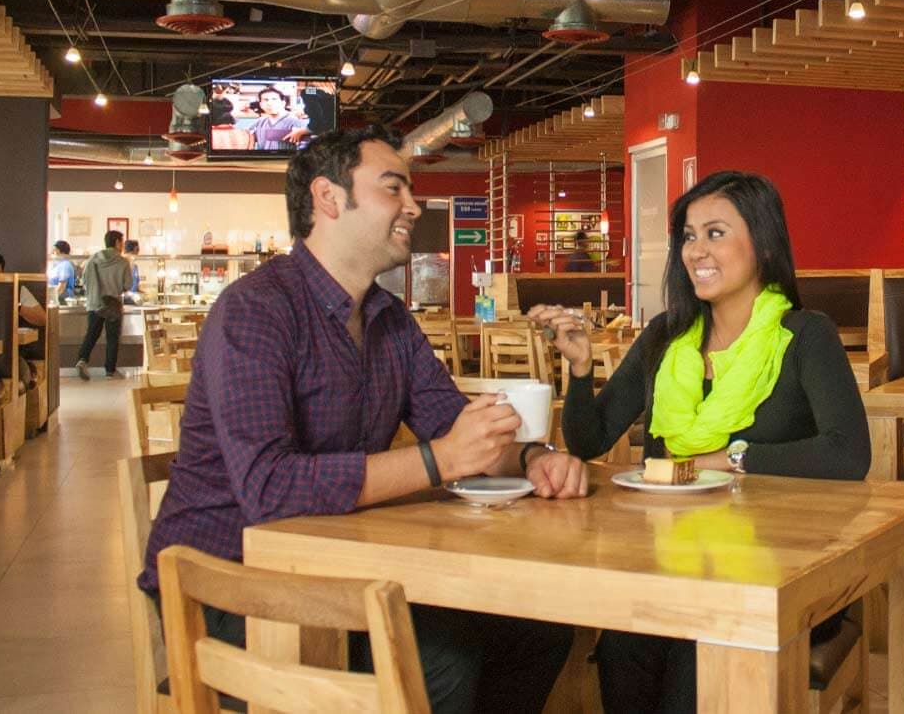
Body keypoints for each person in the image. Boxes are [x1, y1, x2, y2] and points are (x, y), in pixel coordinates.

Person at [139, 124, 583, 714]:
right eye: (393, 188)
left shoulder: (389, 319)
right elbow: (270, 489)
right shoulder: (254, 311)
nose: (414, 205)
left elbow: (452, 422)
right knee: (444, 667)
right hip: (225, 583)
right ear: (328, 198)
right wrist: (439, 459)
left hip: (340, 570)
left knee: (540, 631)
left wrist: (533, 458)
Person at [528, 170, 871, 714]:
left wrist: (727, 458)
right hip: (673, 566)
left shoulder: (805, 335)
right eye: (688, 236)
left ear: (761, 243)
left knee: (694, 663)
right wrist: (579, 367)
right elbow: (590, 439)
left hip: (778, 572)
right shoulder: (667, 336)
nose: (695, 251)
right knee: (621, 647)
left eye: (715, 233)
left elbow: (848, 455)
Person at [74, 230, 132, 380]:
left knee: (92, 334)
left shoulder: (93, 259)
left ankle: (82, 360)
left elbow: (84, 279)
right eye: (122, 242)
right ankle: (110, 371)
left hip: (95, 301)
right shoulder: (123, 262)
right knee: (112, 337)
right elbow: (127, 285)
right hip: (112, 302)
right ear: (118, 243)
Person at [0, 252, 46, 328]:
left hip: (6, 337)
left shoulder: (15, 289)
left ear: (3, 273)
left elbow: (43, 320)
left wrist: (15, 306)